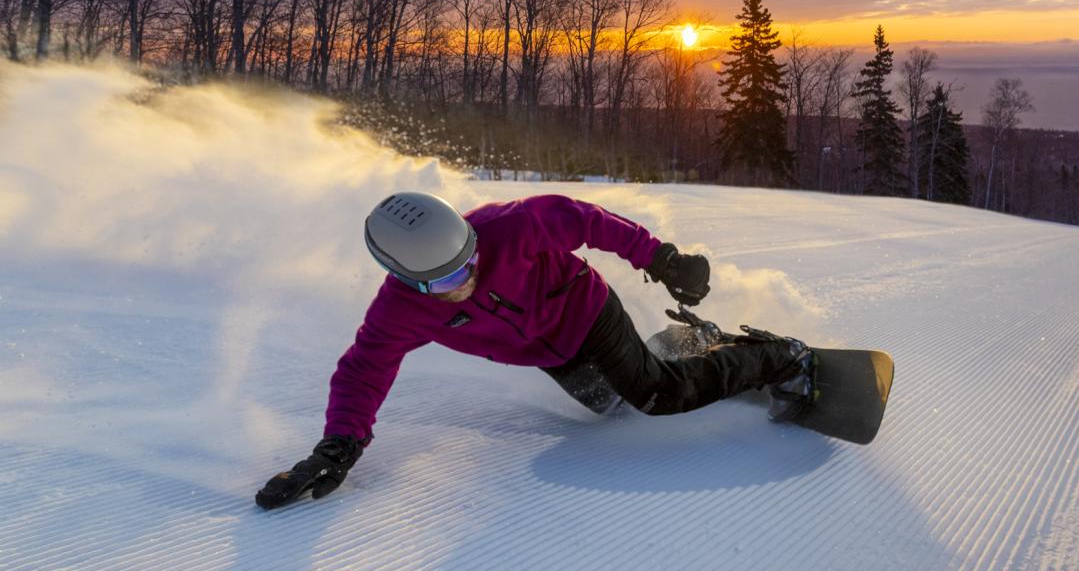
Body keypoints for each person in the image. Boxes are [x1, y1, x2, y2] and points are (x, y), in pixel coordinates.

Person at [255, 191, 816, 509]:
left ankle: (780, 356)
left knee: (654, 396)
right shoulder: (398, 311)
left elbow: (590, 222)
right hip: (549, 355)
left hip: (585, 311)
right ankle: (696, 345)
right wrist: (339, 445)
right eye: (442, 280)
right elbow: (363, 369)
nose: (464, 279)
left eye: (468, 261)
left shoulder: (512, 225)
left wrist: (661, 260)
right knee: (612, 407)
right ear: (405, 279)